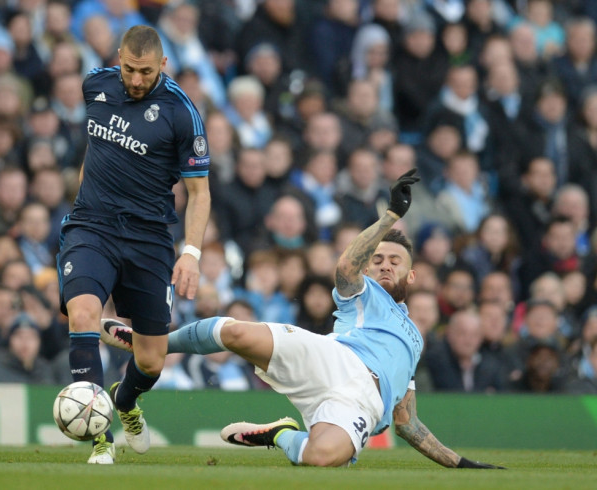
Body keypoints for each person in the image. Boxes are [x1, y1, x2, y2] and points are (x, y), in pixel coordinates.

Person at [101, 169, 503, 469]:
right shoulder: (364, 293)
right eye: (377, 260)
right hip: (332, 358)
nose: (384, 267)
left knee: (321, 457)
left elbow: (408, 423)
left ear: (411, 275)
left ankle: (280, 434)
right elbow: (346, 269)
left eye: (394, 262)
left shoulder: (414, 339)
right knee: (236, 331)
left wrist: (459, 463)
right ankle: (154, 342)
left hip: (362, 402)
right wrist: (388, 218)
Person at [59, 25, 211, 465]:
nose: (136, 79)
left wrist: (191, 252)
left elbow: (199, 193)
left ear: (163, 65)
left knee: (151, 360)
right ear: (118, 58)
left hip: (149, 238)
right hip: (93, 226)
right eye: (129, 69)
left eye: (146, 71)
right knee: (83, 313)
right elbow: (95, 147)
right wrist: (88, 195)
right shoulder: (96, 84)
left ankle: (124, 402)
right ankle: (99, 438)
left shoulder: (182, 113)